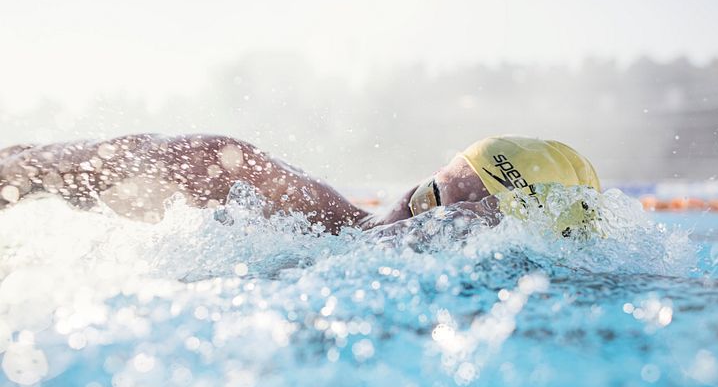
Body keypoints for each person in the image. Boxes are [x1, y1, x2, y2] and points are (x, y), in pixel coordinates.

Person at [0, 134, 600, 234]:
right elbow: (215, 157)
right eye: (429, 198)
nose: (418, 227)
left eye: (466, 223)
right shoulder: (336, 227)